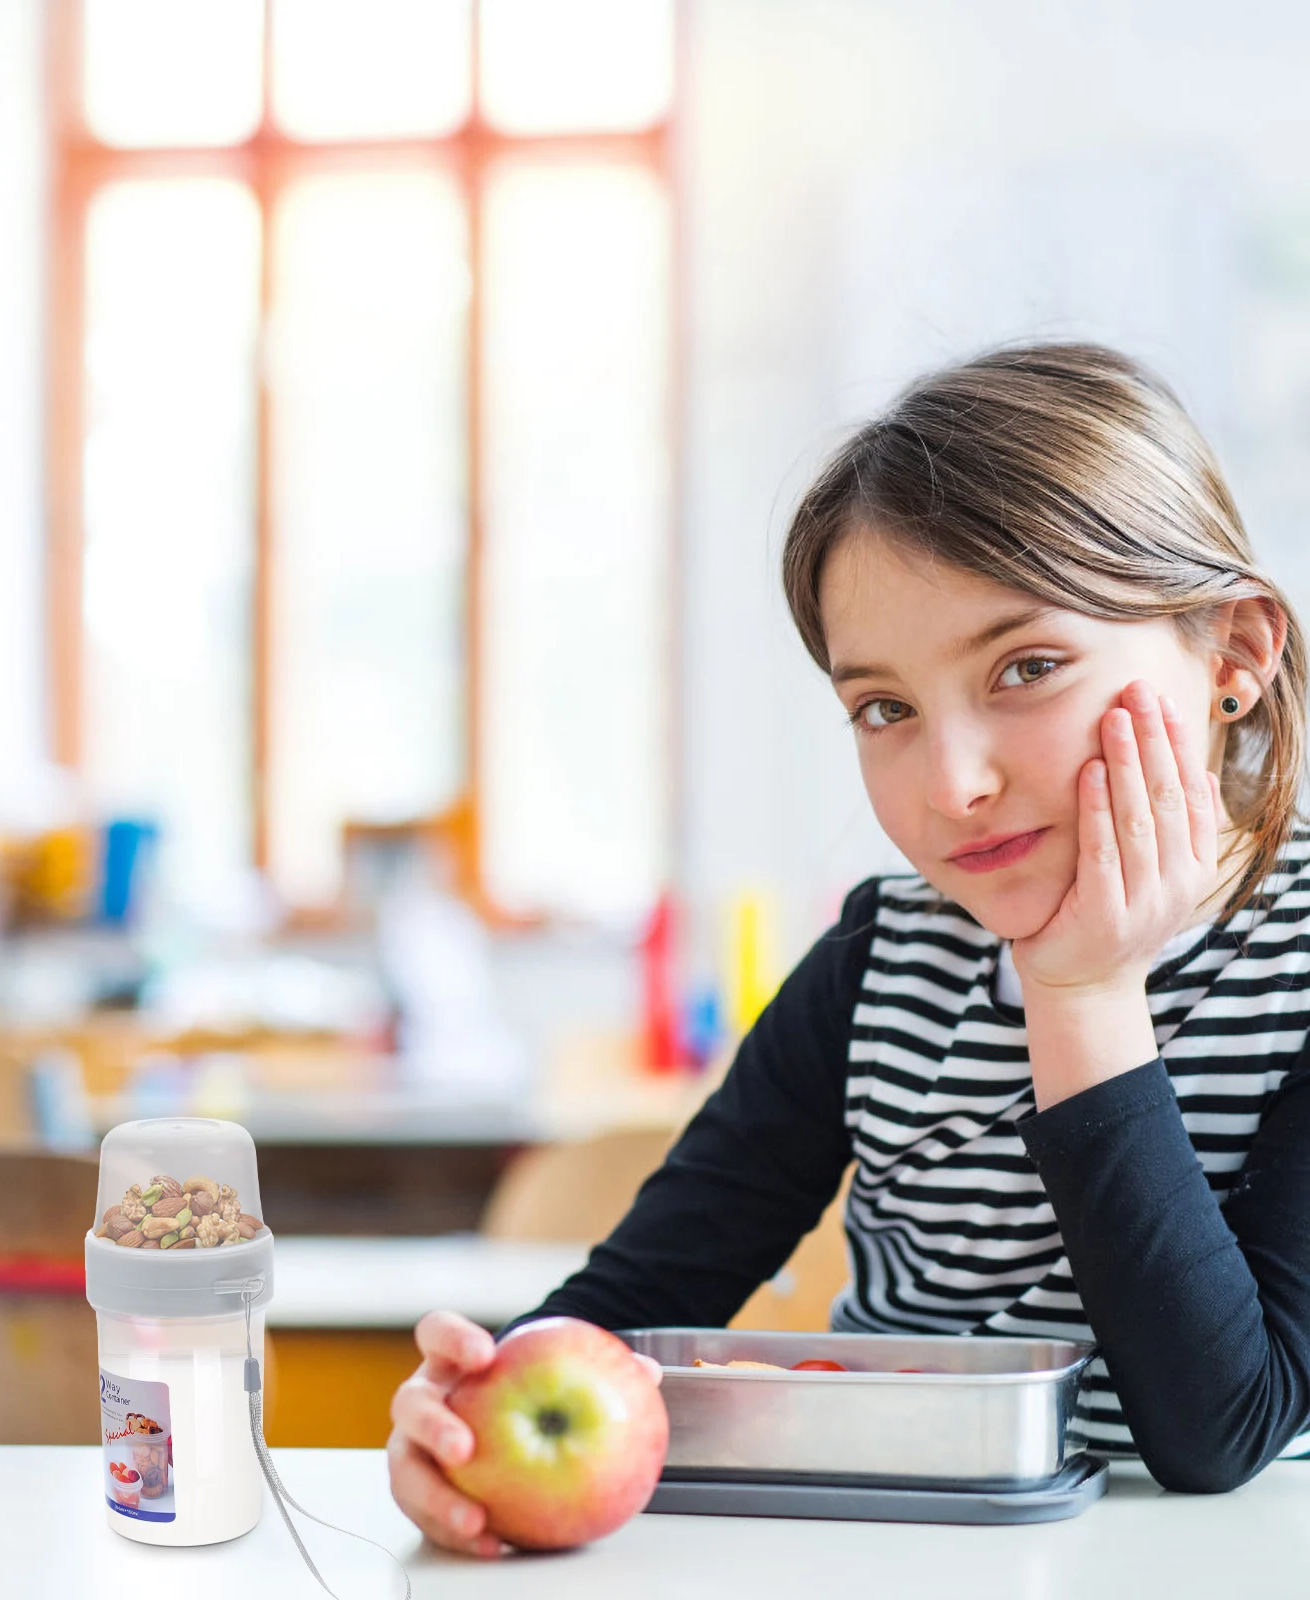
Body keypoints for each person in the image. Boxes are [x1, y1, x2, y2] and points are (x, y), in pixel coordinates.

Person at [386, 344, 1310, 1556]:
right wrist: (474, 1412)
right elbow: (636, 1305)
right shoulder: (885, 956)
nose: (954, 783)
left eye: (1026, 668)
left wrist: (1081, 994)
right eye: (885, 708)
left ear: (1235, 655)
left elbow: (1218, 1429)